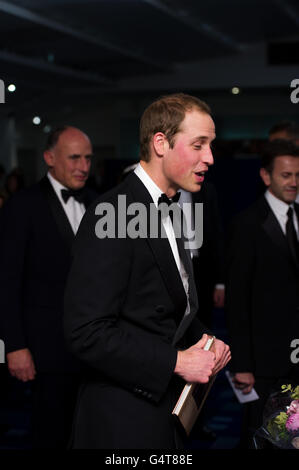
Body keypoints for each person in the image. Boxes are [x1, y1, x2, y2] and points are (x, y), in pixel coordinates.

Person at [64, 93, 231, 449]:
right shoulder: (112, 213)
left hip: (160, 412)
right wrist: (177, 361)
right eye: (198, 145)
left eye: (211, 145)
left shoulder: (167, 208)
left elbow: (168, 306)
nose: (210, 158)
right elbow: (85, 332)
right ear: (160, 143)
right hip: (121, 419)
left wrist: (207, 341)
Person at [0, 126, 97, 448]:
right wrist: (15, 346)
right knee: (51, 432)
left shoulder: (100, 204)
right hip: (46, 346)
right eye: (74, 158)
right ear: (49, 158)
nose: (83, 166)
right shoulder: (22, 206)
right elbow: (7, 280)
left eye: (87, 158)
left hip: (96, 346)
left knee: (90, 430)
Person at [226, 139, 299, 448]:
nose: (294, 182)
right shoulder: (246, 224)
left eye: (298, 174)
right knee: (262, 437)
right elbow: (237, 300)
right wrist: (242, 363)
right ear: (266, 176)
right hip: (263, 362)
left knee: (294, 436)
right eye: (286, 175)